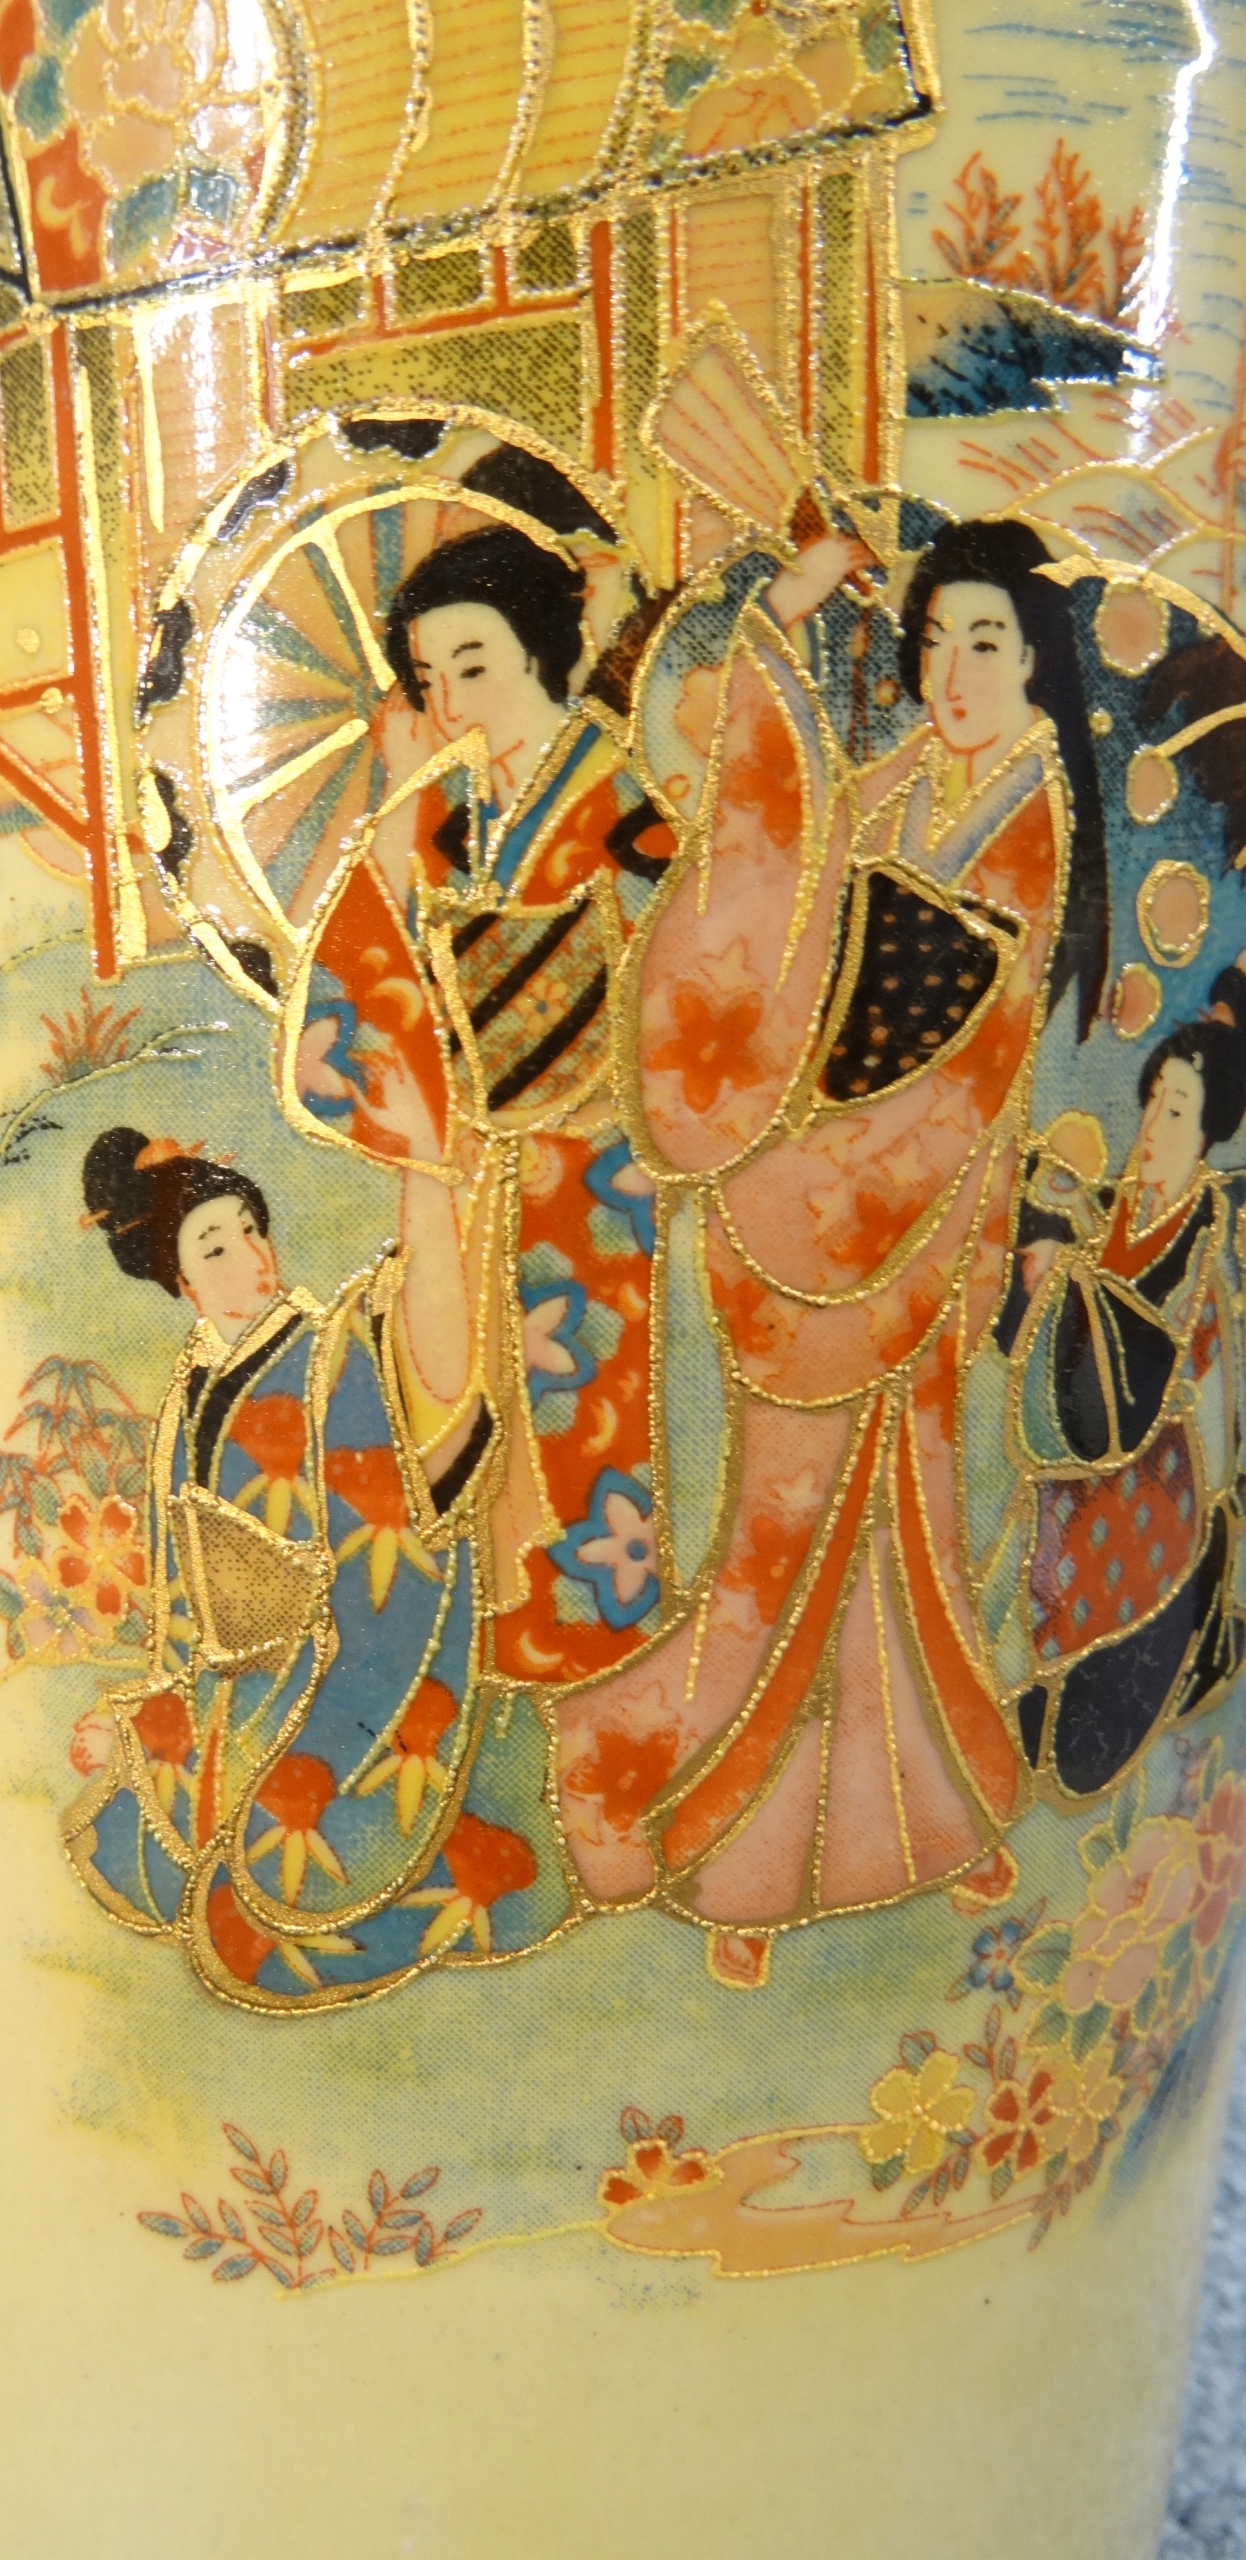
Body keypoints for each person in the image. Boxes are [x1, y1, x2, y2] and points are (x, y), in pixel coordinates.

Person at [553, 516, 1110, 1976]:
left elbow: (959, 1067)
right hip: (812, 1218)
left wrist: (794, 1168)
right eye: (933, 642)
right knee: (780, 1536)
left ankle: (886, 1829)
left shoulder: (1028, 824)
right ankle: (778, 1830)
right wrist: (786, 608)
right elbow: (770, 851)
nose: (951, 673)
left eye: (984, 642)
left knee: (902, 1536)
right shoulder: (912, 778)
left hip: (899, 1229)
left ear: (1038, 664)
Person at [283, 508, 679, 1697]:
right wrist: (405, 800)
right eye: (430, 676)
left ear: (540, 648)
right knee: (490, 1400)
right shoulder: (457, 809)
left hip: (601, 1167)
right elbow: (368, 953)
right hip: (487, 1165)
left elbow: (679, 969)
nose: (452, 698)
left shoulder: (622, 799)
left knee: (589, 1399)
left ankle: (606, 1644)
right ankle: (506, 1636)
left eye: (475, 662)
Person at [61, 1083, 567, 2010]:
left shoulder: (334, 1357)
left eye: (253, 1229)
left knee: (268, 1889)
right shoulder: (188, 1397)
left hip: (343, 1667)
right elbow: (183, 1609)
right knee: (137, 1850)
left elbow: (411, 1480)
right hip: (232, 1689)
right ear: (178, 1279)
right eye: (217, 1246)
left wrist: (427, 1180)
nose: (254, 1257)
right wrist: (141, 1721)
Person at [997, 971, 1246, 1795]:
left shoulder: (1208, 1236)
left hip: (1161, 1478)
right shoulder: (1122, 1208)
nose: (1150, 1127)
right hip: (1087, 1467)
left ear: (1209, 1130)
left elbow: (1160, 1356)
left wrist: (1068, 1278)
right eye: (1151, 1103)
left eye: (1175, 1111)